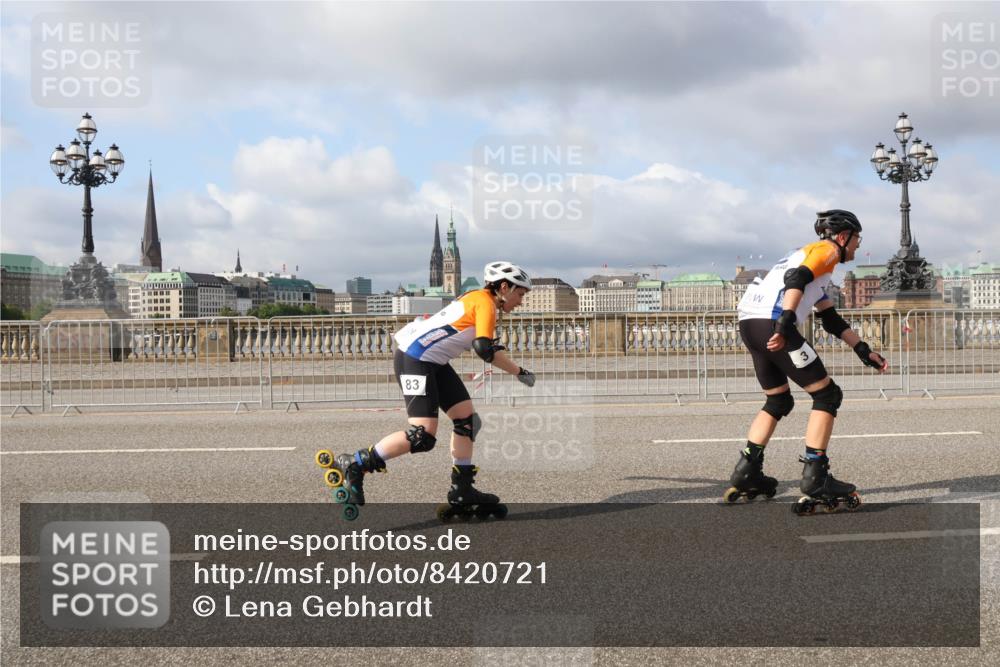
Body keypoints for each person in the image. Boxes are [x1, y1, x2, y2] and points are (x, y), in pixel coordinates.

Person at [317, 261, 536, 520]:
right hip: (415, 359)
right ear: (504, 287)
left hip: (431, 360)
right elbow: (484, 350)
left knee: (467, 421)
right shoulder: (485, 303)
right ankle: (355, 463)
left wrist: (516, 370)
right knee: (422, 436)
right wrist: (520, 372)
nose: (521, 302)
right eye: (520, 294)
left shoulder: (477, 298)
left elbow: (480, 345)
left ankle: (462, 490)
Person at [725, 210, 889, 512]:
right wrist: (786, 321)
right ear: (843, 237)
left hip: (750, 323)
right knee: (827, 395)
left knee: (778, 401)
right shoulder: (826, 251)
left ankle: (747, 470)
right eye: (856, 240)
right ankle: (816, 475)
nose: (856, 246)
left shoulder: (805, 256)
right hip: (773, 323)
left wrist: (863, 349)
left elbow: (829, 317)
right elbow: (796, 279)